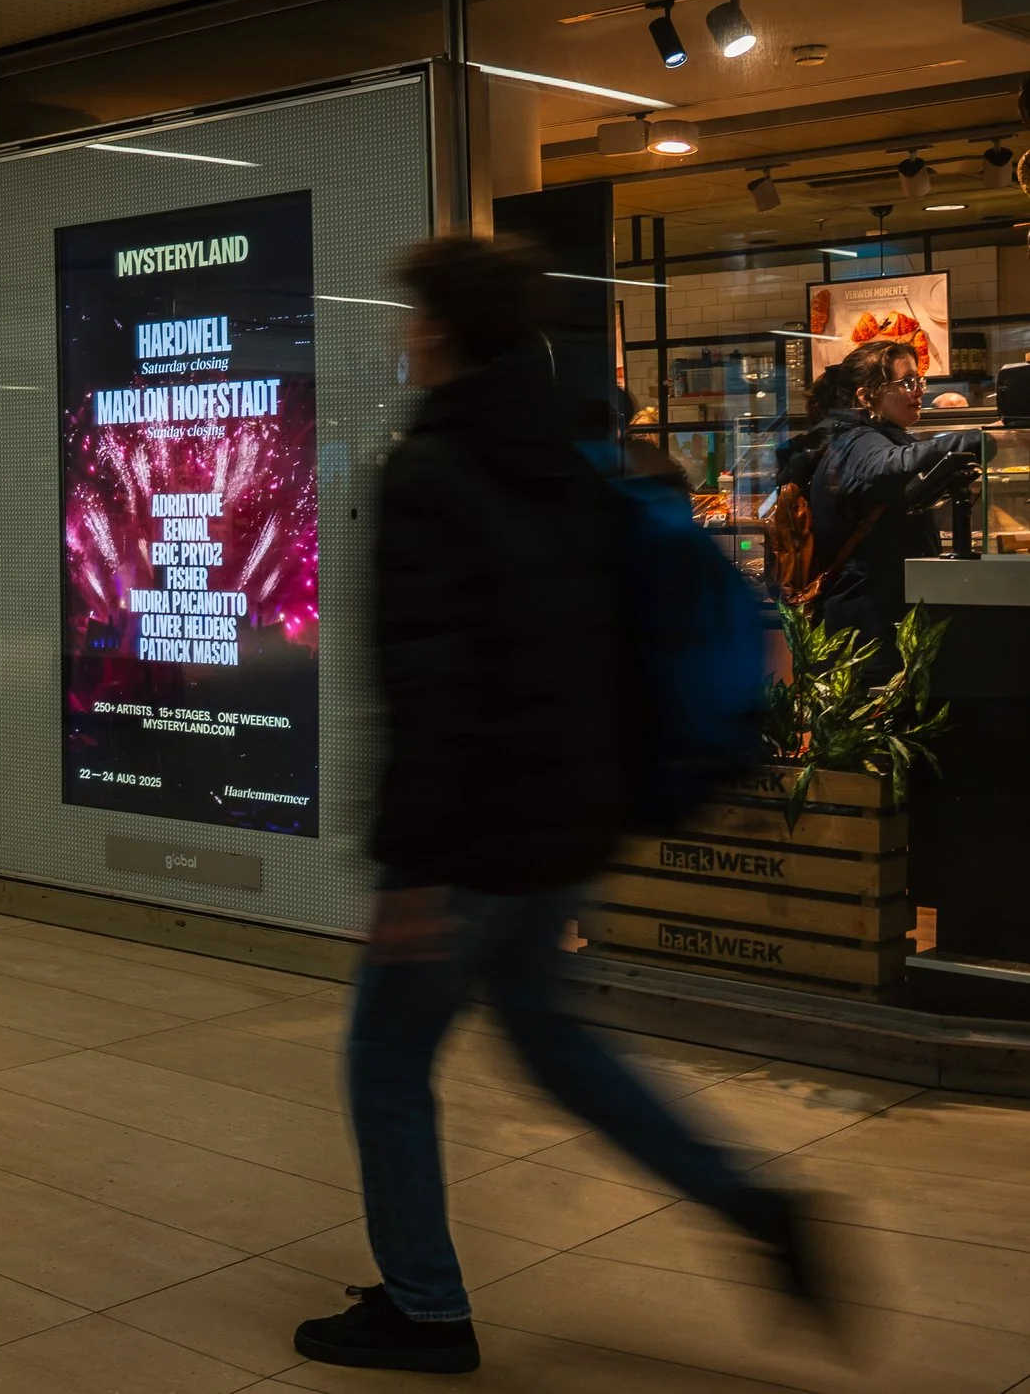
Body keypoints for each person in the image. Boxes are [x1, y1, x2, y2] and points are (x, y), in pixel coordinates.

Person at [292, 236, 828, 1375]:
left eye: (410, 317)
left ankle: (424, 1309)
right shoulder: (567, 459)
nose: (401, 334)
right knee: (553, 1042)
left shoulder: (432, 466)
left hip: (469, 834)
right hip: (560, 821)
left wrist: (412, 868)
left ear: (436, 329)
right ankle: (754, 1204)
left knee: (383, 1061)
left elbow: (431, 683)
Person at [794, 339, 982, 683]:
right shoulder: (858, 441)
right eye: (907, 382)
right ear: (867, 397)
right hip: (862, 633)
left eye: (920, 381)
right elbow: (889, 467)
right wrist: (974, 440)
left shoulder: (878, 436)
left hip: (872, 621)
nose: (918, 391)